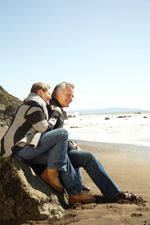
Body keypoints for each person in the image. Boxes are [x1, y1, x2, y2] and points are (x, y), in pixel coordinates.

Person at [0, 82, 97, 204]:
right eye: (48, 93)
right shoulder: (33, 103)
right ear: (40, 92)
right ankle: (51, 173)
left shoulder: (34, 103)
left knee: (62, 157)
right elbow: (44, 128)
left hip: (22, 148)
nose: (50, 97)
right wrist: (55, 114)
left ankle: (75, 193)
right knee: (63, 133)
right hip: (18, 149)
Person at [47, 82, 137, 202]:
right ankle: (114, 194)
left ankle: (79, 183)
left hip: (54, 152)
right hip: (52, 156)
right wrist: (71, 146)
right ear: (58, 93)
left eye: (73, 96)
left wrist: (71, 144)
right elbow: (54, 136)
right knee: (88, 157)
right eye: (68, 95)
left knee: (75, 144)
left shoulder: (55, 106)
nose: (71, 99)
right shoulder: (53, 108)